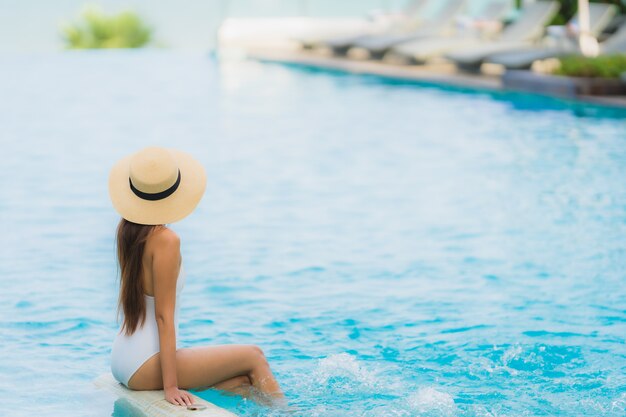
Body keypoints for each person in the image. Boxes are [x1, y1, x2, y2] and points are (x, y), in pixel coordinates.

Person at [108, 146, 285, 407]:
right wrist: (171, 387)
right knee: (254, 356)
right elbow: (163, 316)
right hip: (145, 362)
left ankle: (269, 407)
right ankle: (291, 412)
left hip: (122, 358)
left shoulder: (128, 230)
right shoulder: (166, 239)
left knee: (245, 382)